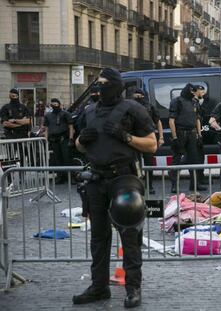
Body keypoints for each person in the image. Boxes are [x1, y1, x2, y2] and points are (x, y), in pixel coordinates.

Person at [73, 68, 157, 308]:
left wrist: (126, 137)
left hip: (123, 178)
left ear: (117, 86)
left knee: (130, 236)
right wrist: (81, 141)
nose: (100, 88)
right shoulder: (89, 112)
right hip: (96, 180)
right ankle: (99, 287)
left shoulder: (134, 109)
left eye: (105, 84)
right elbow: (78, 146)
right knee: (99, 238)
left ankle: (133, 289)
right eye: (98, 83)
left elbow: (152, 145)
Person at [169, 83, 206, 193]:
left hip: (192, 133)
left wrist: (199, 135)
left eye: (194, 91)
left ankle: (194, 184)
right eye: (191, 91)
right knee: (177, 159)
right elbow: (171, 120)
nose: (193, 92)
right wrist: (175, 137)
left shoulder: (194, 102)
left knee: (194, 159)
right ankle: (174, 185)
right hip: (180, 132)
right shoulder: (177, 101)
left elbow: (197, 119)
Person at [133, 87, 164, 194]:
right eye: (135, 95)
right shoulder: (130, 107)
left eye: (139, 95)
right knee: (135, 165)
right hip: (134, 140)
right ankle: (138, 186)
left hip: (147, 139)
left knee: (149, 164)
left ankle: (149, 185)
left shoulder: (150, 107)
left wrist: (160, 137)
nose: (137, 97)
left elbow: (158, 122)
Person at [43, 98, 75, 184]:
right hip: (54, 140)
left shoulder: (66, 114)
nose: (55, 106)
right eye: (53, 105)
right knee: (57, 159)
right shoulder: (48, 115)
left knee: (67, 158)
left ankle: (70, 177)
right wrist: (46, 140)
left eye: (56, 105)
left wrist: (71, 139)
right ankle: (60, 177)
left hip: (64, 139)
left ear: (59, 105)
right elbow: (46, 128)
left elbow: (71, 127)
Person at [192, 85, 209, 185]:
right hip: (194, 133)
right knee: (195, 157)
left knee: (200, 156)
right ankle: (198, 179)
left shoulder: (198, 102)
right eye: (201, 92)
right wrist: (199, 134)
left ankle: (201, 178)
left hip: (198, 132)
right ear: (195, 92)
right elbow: (196, 119)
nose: (203, 94)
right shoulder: (193, 103)